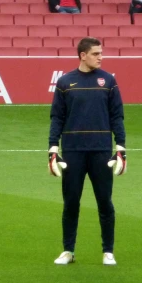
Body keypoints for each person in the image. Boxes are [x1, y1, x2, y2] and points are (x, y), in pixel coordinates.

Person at [49, 37, 125, 266]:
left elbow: (117, 116)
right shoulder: (65, 82)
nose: (100, 57)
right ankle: (68, 251)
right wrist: (52, 149)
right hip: (72, 152)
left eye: (101, 53)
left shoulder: (109, 81)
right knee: (71, 202)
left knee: (105, 202)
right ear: (83, 55)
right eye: (95, 53)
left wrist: (121, 148)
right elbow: (57, 118)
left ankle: (108, 251)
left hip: (101, 151)